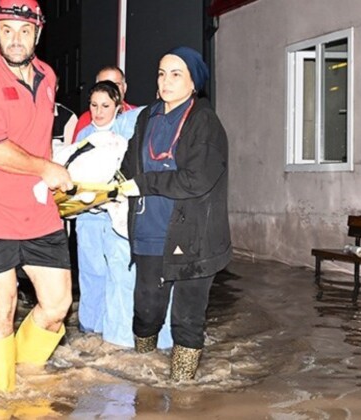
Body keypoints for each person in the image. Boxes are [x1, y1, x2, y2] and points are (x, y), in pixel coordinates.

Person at [0, 0, 73, 392]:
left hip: (38, 209)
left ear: (38, 33)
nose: (15, 39)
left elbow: (39, 138)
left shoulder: (47, 75)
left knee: (57, 306)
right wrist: (46, 168)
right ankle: (3, 396)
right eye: (6, 30)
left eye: (24, 31)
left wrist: (59, 164)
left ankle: (23, 376)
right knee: (2, 302)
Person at [119, 46, 231, 381]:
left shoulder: (205, 123)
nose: (166, 81)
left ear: (194, 82)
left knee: (187, 319)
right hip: (150, 234)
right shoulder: (146, 117)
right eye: (161, 73)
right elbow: (129, 166)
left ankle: (183, 392)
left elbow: (197, 179)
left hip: (194, 238)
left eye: (176, 74)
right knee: (147, 312)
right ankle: (145, 380)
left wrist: (145, 183)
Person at [73, 80, 144, 348]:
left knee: (120, 277)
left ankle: (119, 340)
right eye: (93, 105)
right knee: (91, 275)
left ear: (118, 106)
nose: (98, 111)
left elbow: (152, 111)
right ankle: (90, 331)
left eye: (105, 106)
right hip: (87, 217)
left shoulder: (124, 130)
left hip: (117, 219)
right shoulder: (83, 137)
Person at [72, 66, 137, 142]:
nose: (110, 90)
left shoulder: (138, 116)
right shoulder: (85, 121)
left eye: (116, 85)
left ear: (124, 87)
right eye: (104, 85)